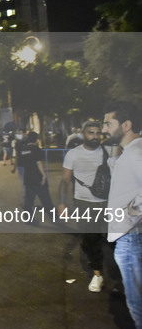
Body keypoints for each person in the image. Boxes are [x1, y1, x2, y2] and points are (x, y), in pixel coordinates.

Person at [102, 101, 142, 329]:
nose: (105, 129)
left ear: (126, 125)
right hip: (132, 238)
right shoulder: (132, 151)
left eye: (109, 123)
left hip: (132, 239)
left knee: (137, 306)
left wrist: (129, 215)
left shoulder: (136, 154)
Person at [60, 121, 108, 292]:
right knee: (90, 239)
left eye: (97, 133)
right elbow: (65, 180)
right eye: (91, 133)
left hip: (109, 202)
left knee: (115, 239)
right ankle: (97, 274)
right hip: (85, 202)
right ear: (83, 133)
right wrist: (62, 203)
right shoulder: (73, 154)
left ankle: (120, 276)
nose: (95, 136)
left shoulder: (107, 152)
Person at [20, 131, 55, 223]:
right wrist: (43, 175)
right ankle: (53, 216)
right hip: (37, 177)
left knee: (29, 200)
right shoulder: (36, 149)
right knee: (45, 198)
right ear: (36, 139)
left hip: (27, 177)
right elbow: (39, 163)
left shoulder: (23, 149)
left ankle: (28, 218)